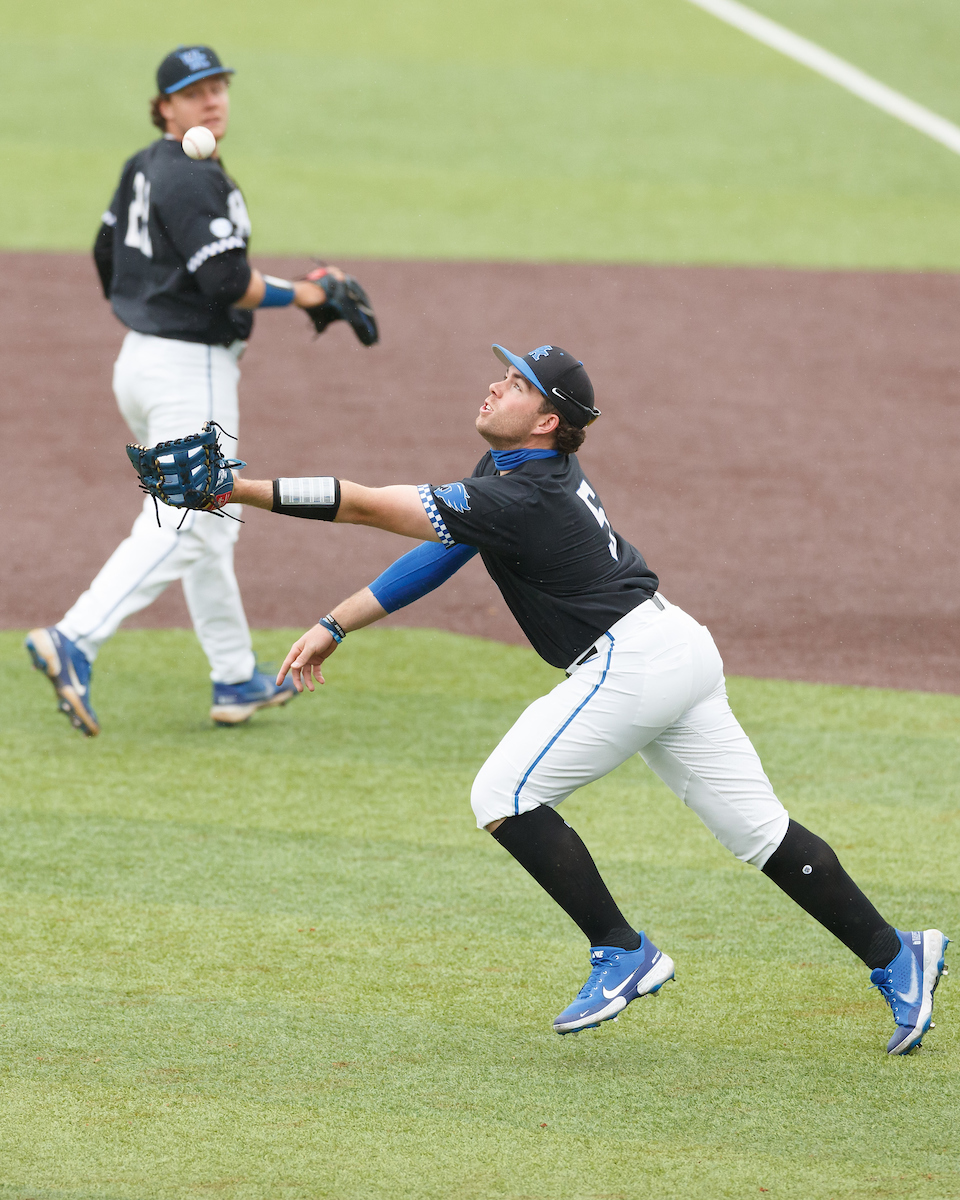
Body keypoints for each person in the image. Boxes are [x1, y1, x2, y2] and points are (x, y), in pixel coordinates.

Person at [185, 342, 949, 1054]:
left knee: (503, 794)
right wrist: (337, 623)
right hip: (675, 646)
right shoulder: (511, 473)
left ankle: (622, 949)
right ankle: (898, 956)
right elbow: (447, 546)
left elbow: (366, 505)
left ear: (548, 421)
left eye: (516, 383)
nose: (495, 386)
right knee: (761, 833)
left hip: (633, 663)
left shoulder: (521, 496)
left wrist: (238, 489)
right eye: (502, 374)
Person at [26, 44, 375, 735]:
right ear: (164, 107)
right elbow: (226, 282)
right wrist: (309, 294)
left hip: (142, 362)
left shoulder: (144, 166)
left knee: (211, 522)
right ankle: (75, 638)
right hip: (190, 368)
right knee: (188, 517)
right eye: (193, 92)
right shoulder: (192, 176)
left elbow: (105, 252)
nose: (211, 100)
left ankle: (235, 677)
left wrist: (148, 303)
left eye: (218, 87)